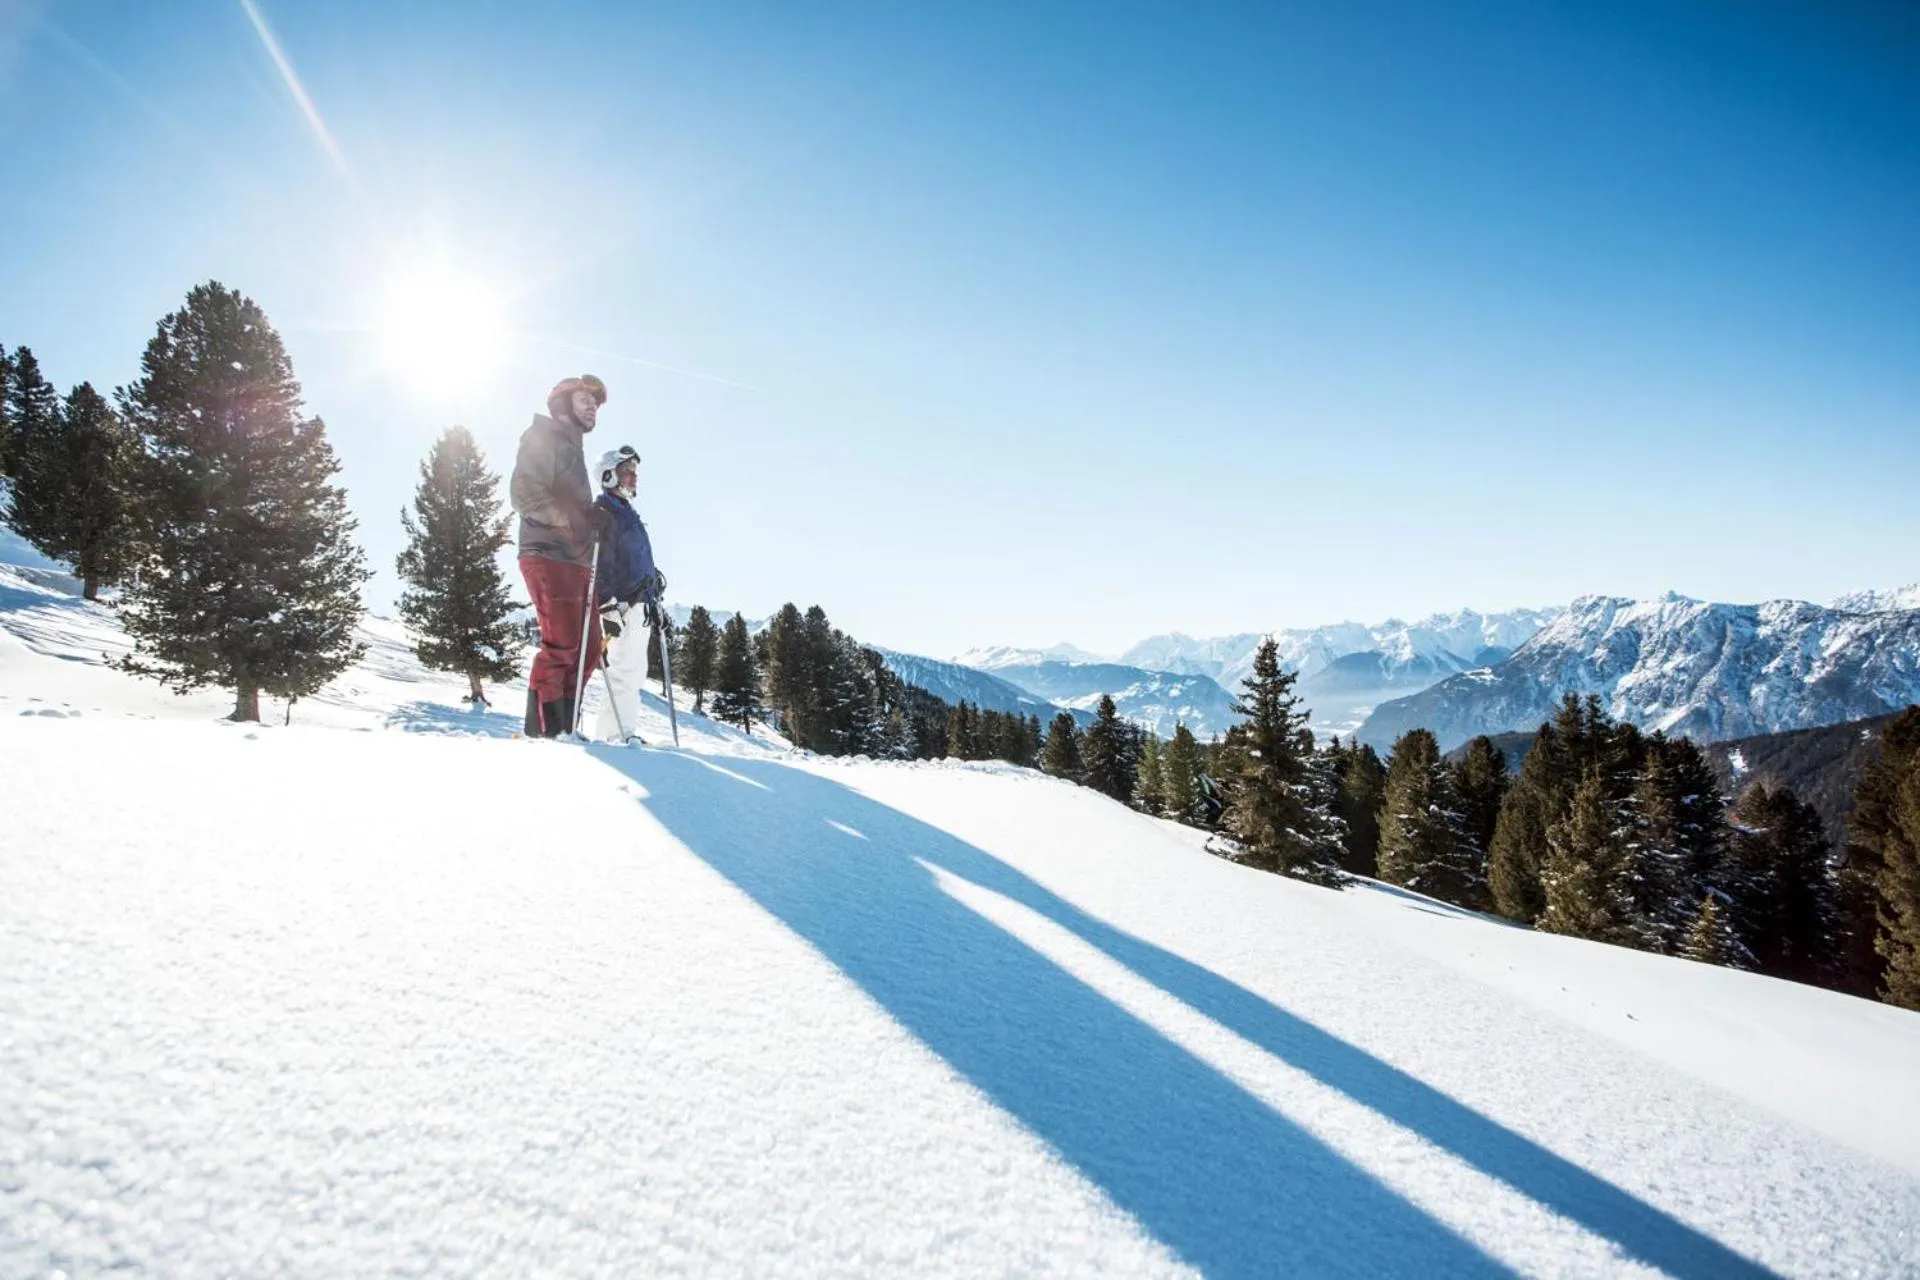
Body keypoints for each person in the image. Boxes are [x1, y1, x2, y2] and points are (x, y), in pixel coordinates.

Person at [510, 374, 609, 737]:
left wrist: (590, 517)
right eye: (585, 399)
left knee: (588, 648)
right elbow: (524, 493)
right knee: (564, 644)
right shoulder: (543, 436)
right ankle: (545, 733)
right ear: (563, 403)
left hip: (576, 560)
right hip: (548, 553)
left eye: (596, 405)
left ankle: (565, 728)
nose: (592, 408)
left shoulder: (573, 448)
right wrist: (570, 523)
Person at [591, 446, 666, 743]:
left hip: (641, 603)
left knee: (634, 672)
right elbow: (601, 562)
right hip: (621, 604)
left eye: (635, 473)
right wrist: (606, 605)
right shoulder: (605, 512)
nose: (634, 478)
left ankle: (622, 732)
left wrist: (654, 597)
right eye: (627, 472)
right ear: (609, 476)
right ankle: (617, 736)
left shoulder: (628, 514)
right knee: (623, 671)